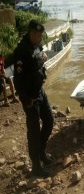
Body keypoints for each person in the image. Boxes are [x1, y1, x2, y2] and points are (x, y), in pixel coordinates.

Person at [13, 20, 53, 178]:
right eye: (36, 35)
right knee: (34, 132)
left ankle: (41, 152)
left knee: (49, 121)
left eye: (40, 35)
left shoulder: (37, 46)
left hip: (40, 91)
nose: (38, 37)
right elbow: (18, 79)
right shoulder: (21, 51)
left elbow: (40, 61)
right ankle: (36, 165)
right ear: (30, 33)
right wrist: (25, 99)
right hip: (29, 97)